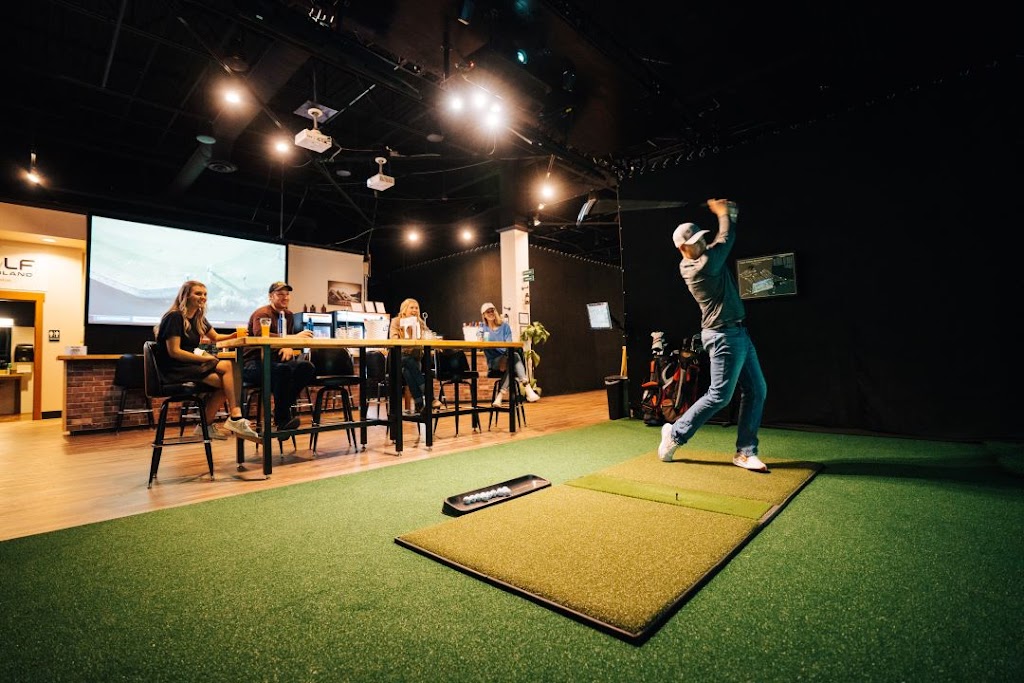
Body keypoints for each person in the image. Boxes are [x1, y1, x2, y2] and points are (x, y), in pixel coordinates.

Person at [658, 198, 769, 472]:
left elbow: (718, 241)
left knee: (756, 390)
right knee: (719, 395)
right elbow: (726, 237)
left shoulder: (705, 256)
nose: (701, 243)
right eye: (694, 242)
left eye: (700, 238)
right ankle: (675, 434)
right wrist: (724, 213)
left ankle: (745, 452)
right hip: (722, 337)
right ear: (683, 249)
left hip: (737, 333)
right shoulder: (700, 267)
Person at [154, 280, 259, 440]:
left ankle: (207, 426)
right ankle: (235, 417)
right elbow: (174, 352)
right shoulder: (174, 317)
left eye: (205, 294)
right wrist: (203, 358)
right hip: (175, 369)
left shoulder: (198, 317)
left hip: (190, 366)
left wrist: (235, 335)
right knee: (229, 369)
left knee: (228, 383)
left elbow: (216, 337)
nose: (203, 297)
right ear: (186, 296)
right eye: (198, 293)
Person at [243, 282, 316, 433]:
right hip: (253, 364)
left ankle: (280, 411)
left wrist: (287, 345)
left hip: (276, 362)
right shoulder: (262, 313)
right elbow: (260, 336)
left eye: (287, 294)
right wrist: (293, 338)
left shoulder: (288, 315)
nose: (285, 297)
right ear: (271, 297)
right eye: (280, 294)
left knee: (306, 367)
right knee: (283, 371)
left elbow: (283, 340)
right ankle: (282, 420)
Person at [480, 302, 540, 407]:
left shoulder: (505, 326)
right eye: (488, 312)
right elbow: (481, 344)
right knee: (514, 357)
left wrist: (505, 358)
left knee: (512, 360)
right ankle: (528, 389)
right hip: (494, 362)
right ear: (484, 315)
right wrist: (503, 357)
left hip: (507, 359)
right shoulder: (483, 328)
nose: (491, 313)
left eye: (492, 310)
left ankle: (500, 396)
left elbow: (509, 344)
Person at [388, 298, 440, 414]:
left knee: (408, 370)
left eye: (416, 308)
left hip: (414, 360)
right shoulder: (396, 321)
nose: (415, 310)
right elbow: (393, 338)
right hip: (399, 358)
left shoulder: (420, 323)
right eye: (412, 307)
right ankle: (429, 397)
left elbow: (429, 336)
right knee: (408, 361)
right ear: (404, 309)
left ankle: (419, 404)